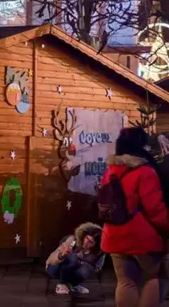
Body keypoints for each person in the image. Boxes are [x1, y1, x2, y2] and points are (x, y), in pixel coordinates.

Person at [100, 126, 169, 307]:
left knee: (125, 281)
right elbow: (155, 209)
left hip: (114, 234)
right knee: (154, 278)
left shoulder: (111, 170)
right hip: (143, 239)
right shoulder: (145, 171)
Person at [46, 223, 104, 295]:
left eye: (90, 242)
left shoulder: (98, 253)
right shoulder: (73, 241)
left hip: (73, 271)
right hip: (55, 268)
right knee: (74, 258)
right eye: (87, 238)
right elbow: (53, 259)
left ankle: (73, 285)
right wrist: (62, 255)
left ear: (96, 245)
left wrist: (84, 264)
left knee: (85, 269)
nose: (86, 242)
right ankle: (61, 285)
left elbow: (97, 269)